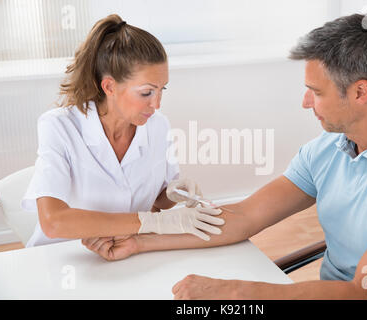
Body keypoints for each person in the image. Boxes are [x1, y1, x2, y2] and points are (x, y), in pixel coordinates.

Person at [83, 14, 367, 299]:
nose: (305, 102)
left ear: (361, 92)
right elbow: (244, 216)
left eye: (314, 91)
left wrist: (235, 293)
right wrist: (140, 241)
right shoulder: (329, 149)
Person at [21, 14, 224, 247]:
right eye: (147, 92)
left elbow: (158, 199)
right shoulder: (59, 127)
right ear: (109, 86)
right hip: (61, 257)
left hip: (124, 251)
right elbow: (53, 222)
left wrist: (172, 194)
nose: (156, 104)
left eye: (161, 90)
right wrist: (151, 222)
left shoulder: (157, 125)